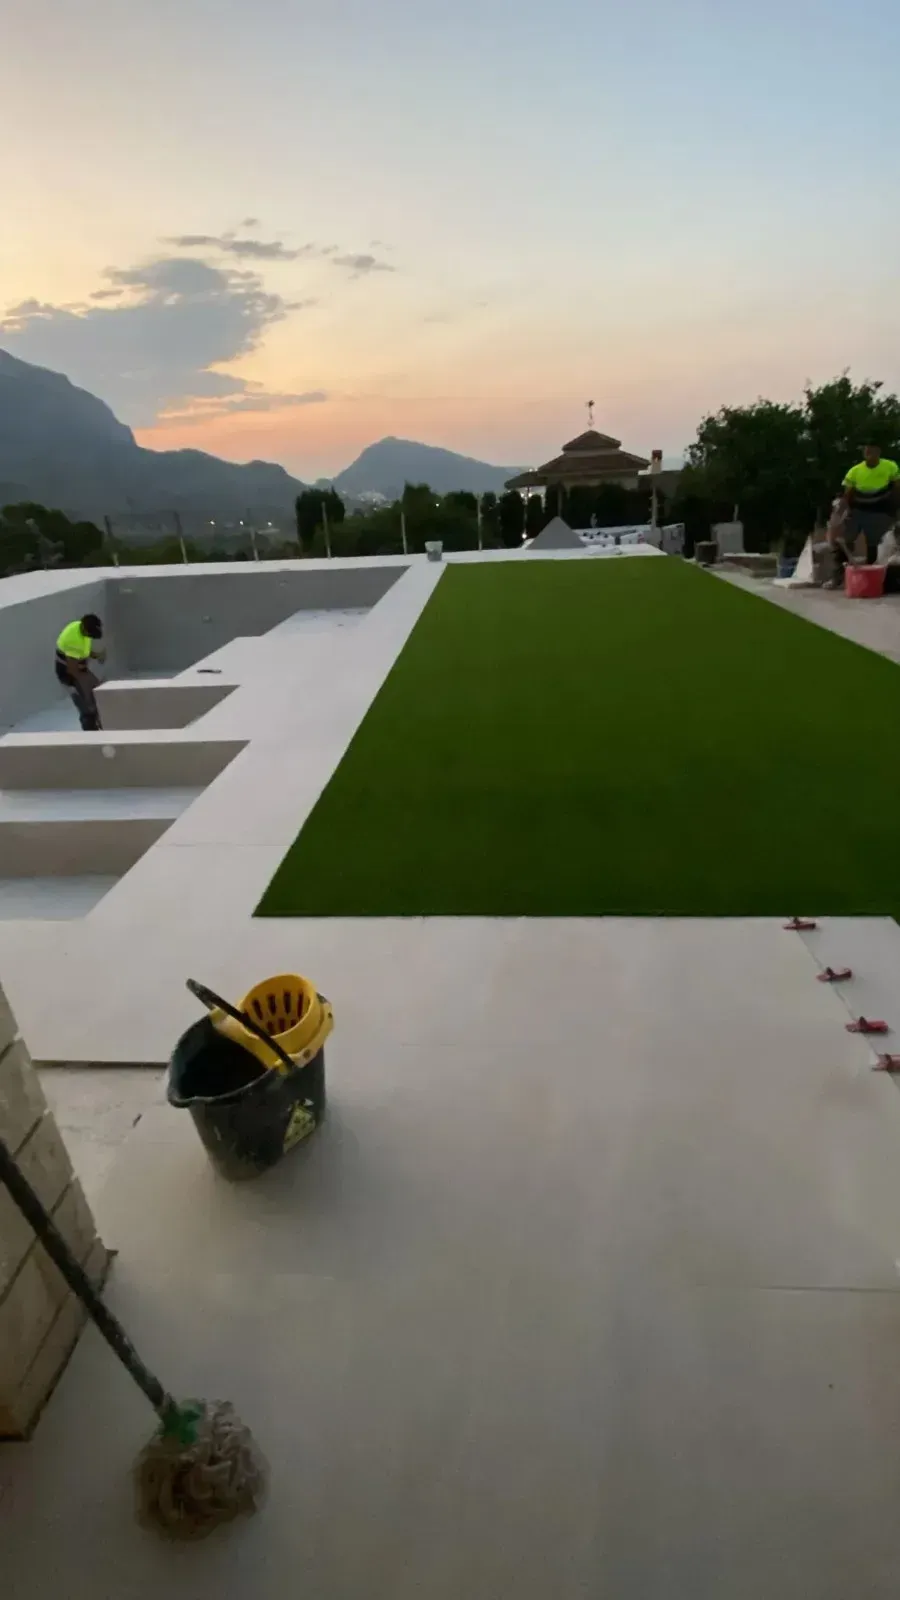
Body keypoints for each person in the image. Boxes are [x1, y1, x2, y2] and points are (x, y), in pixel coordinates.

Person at [828, 444, 900, 587]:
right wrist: (839, 515)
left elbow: (897, 488)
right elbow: (847, 495)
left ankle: (875, 580)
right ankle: (837, 577)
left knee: (876, 546)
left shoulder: (890, 466)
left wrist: (895, 510)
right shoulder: (854, 471)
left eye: (872, 450)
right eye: (866, 451)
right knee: (843, 541)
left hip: (880, 510)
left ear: (878, 451)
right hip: (858, 510)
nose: (869, 453)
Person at [55, 613, 105, 730]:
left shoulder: (82, 628)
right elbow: (72, 669)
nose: (91, 637)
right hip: (69, 674)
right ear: (85, 629)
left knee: (97, 696)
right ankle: (91, 734)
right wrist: (87, 688)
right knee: (87, 707)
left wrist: (95, 655)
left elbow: (82, 649)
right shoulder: (72, 639)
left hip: (80, 668)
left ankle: (100, 722)